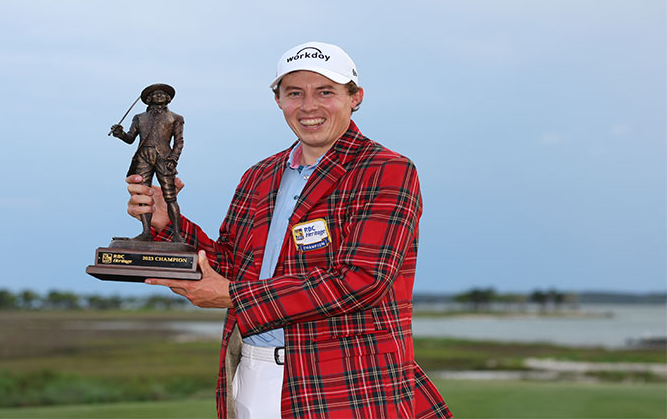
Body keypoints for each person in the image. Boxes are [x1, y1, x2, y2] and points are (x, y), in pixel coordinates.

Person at [126, 42, 452, 419]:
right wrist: (170, 224)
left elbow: (361, 281)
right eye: (294, 93)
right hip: (250, 373)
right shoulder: (259, 176)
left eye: (325, 92)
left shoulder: (387, 170)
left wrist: (233, 296)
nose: (308, 106)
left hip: (344, 385)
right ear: (278, 99)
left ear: (355, 97)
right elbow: (233, 264)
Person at [111, 83, 185, 242]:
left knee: (170, 196)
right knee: (143, 194)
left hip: (164, 158)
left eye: (163, 94)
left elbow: (179, 142)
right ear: (149, 99)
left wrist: (173, 158)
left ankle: (178, 235)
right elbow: (130, 138)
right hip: (143, 156)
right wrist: (120, 133)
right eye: (155, 94)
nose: (159, 96)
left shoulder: (176, 118)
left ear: (168, 99)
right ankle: (146, 232)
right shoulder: (139, 118)